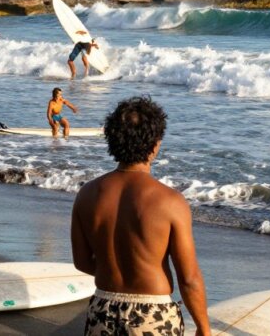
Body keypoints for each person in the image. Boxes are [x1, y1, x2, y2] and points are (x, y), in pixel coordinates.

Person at [71, 96, 210, 336]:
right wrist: (204, 328)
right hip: (152, 313)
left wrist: (118, 271)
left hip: (102, 308)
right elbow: (189, 278)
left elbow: (82, 262)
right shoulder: (170, 201)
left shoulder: (87, 194)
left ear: (112, 141)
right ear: (155, 144)